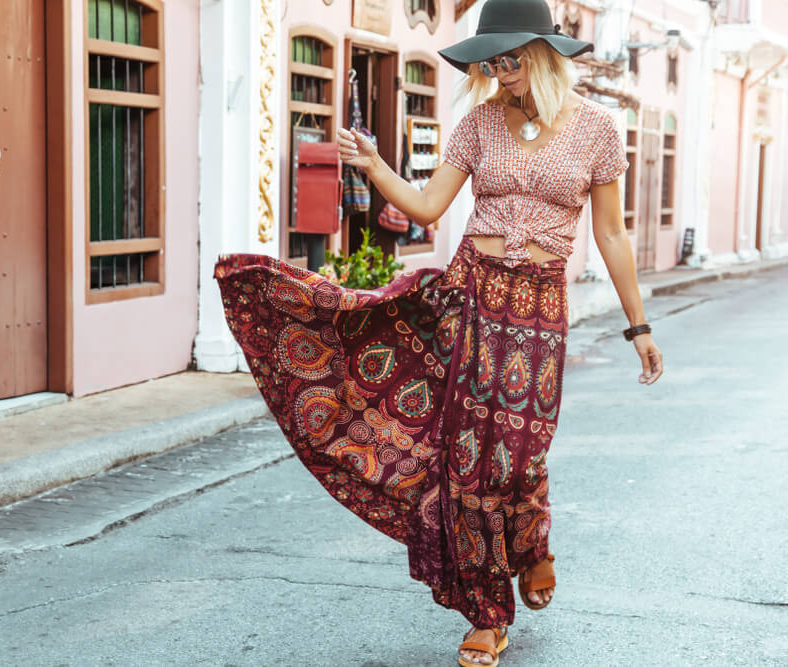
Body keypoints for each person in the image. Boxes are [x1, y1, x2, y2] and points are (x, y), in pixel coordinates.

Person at [214, 0, 663, 664]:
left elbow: (612, 234)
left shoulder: (597, 129)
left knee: (522, 448)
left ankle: (533, 544)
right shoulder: (479, 125)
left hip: (539, 310)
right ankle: (487, 611)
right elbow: (428, 205)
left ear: (541, 54)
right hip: (470, 296)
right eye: (491, 62)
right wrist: (372, 164)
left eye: (510, 60)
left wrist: (639, 325)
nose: (500, 73)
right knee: (469, 463)